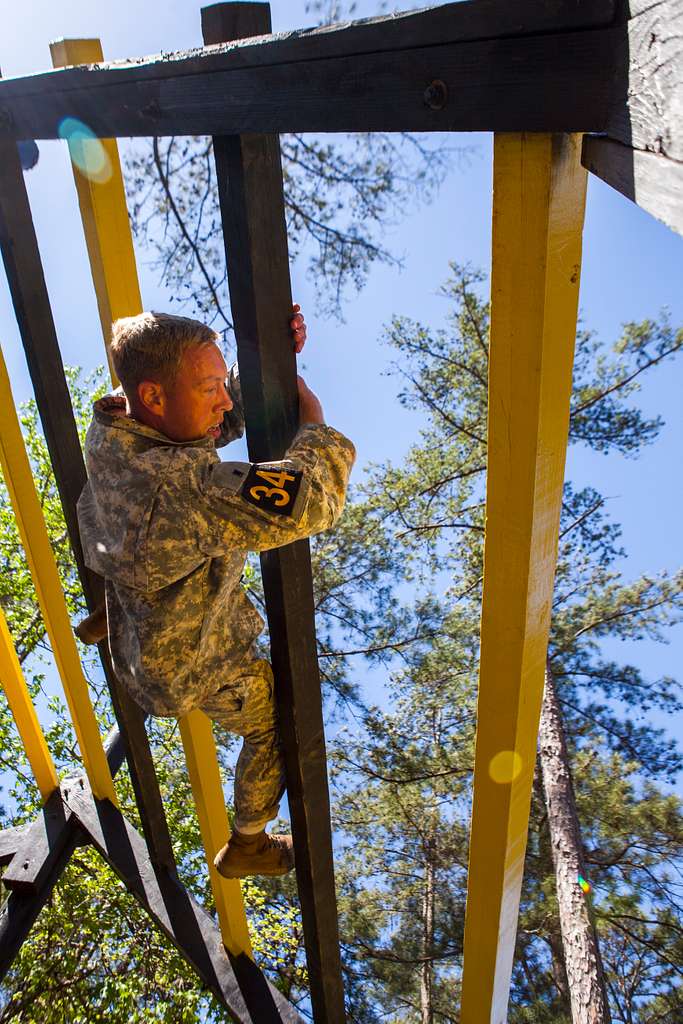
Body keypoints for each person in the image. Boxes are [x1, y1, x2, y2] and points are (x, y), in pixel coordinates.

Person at [76, 307, 355, 877]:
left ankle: (110, 607)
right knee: (273, 719)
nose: (224, 403)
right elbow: (311, 500)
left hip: (131, 582)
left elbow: (203, 423)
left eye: (220, 385)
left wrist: (266, 365)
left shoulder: (113, 420)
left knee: (123, 540)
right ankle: (248, 844)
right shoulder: (185, 491)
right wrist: (316, 428)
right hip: (180, 666)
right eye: (212, 389)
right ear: (153, 395)